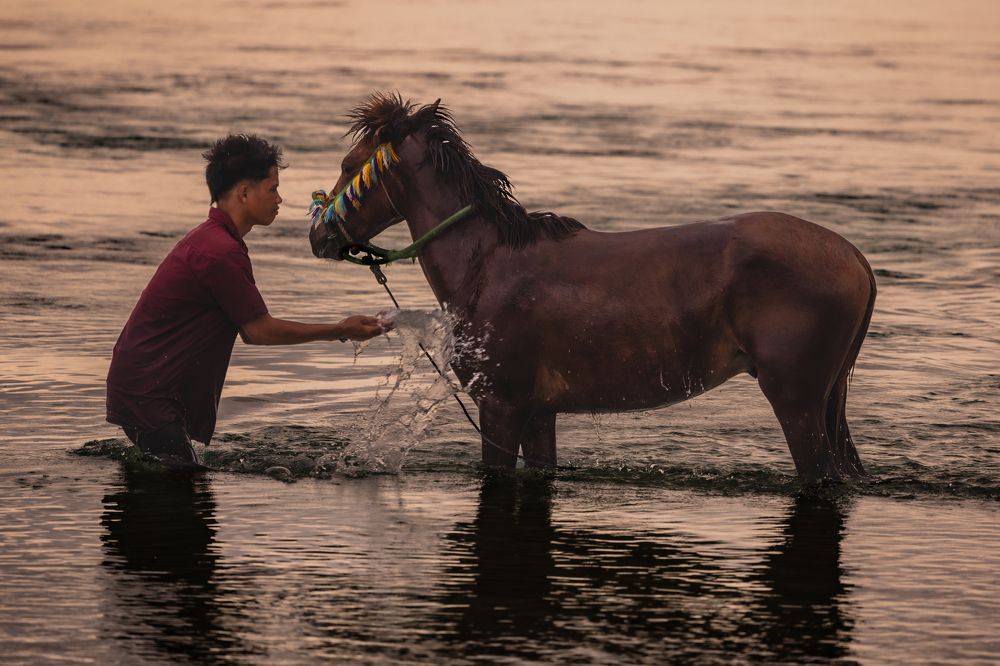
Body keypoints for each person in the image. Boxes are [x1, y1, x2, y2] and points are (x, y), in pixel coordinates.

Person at [106, 134, 385, 469]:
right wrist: (341, 330)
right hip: (148, 394)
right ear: (243, 193)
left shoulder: (214, 240)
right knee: (184, 490)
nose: (280, 199)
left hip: (144, 386)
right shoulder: (219, 251)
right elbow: (259, 332)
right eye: (272, 189)